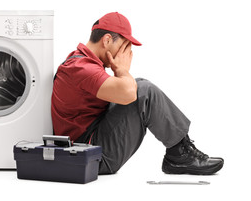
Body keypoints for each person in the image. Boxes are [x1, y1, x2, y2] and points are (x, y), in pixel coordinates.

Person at [51, 12, 224, 175]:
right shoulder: (80, 68)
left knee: (138, 84)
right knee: (143, 90)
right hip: (88, 156)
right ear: (107, 40)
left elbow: (126, 92)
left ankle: (179, 150)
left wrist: (124, 76)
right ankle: (179, 155)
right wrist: (123, 70)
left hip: (89, 147)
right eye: (124, 45)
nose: (126, 52)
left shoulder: (83, 62)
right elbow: (128, 94)